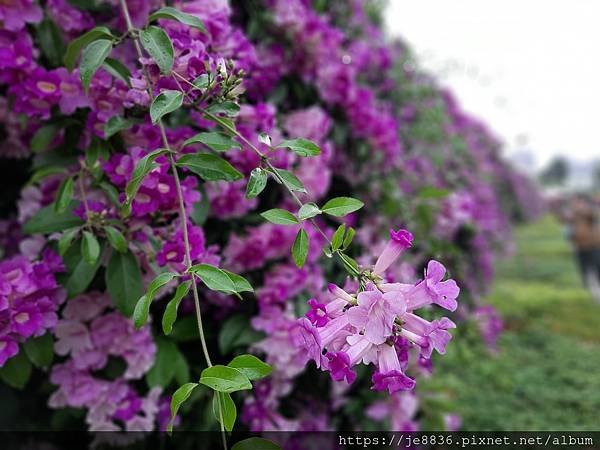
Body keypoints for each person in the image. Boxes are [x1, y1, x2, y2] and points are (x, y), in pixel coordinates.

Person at [568, 194, 600, 302]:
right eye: (573, 202)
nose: (574, 204)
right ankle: (589, 295)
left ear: (583, 202)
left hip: (593, 246)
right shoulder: (573, 216)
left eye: (577, 202)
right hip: (580, 247)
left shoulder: (589, 212)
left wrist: (579, 210)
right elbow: (567, 225)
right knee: (584, 271)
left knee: (597, 269)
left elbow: (593, 215)